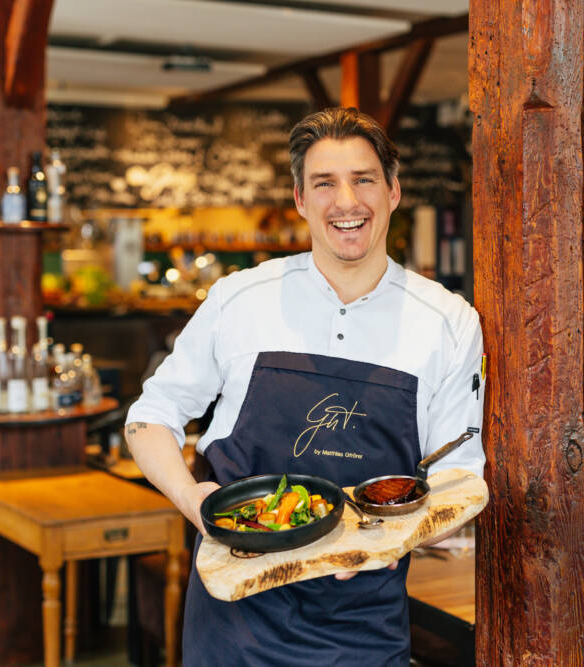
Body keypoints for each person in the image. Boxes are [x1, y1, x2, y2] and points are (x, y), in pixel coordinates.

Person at [125, 107, 485, 666]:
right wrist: (191, 500)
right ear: (299, 200)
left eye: (364, 179)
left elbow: (459, 479)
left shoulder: (448, 321)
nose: (346, 201)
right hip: (235, 618)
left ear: (393, 191)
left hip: (362, 622)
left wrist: (389, 539)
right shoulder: (239, 298)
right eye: (325, 183)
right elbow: (151, 416)